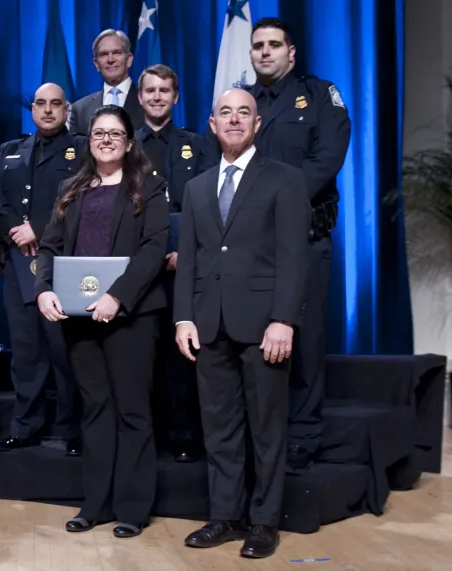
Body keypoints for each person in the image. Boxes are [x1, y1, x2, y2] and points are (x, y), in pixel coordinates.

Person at [205, 18, 352, 471]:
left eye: (273, 45)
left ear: (292, 52)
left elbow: (326, 160)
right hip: (247, 249)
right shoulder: (243, 103)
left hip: (303, 241)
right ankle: (255, 438)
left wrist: (275, 206)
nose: (264, 52)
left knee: (302, 342)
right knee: (250, 343)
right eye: (257, 46)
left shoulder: (320, 97)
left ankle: (303, 437)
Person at [175, 88, 311, 558]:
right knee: (219, 429)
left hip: (263, 326)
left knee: (267, 429)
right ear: (212, 125)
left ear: (258, 124)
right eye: (224, 113)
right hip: (209, 325)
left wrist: (283, 320)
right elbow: (189, 260)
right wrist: (183, 318)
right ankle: (226, 517)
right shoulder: (196, 187)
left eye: (244, 113)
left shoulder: (286, 180)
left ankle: (263, 522)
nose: (234, 120)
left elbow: (295, 257)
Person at [36, 105, 168, 538]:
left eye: (115, 133)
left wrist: (117, 297)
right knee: (94, 411)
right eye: (98, 133)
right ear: (88, 140)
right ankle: (95, 504)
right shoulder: (71, 187)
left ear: (130, 142)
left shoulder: (148, 185)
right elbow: (49, 246)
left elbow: (153, 249)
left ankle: (131, 508)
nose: (106, 140)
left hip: (131, 316)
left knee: (132, 412)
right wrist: (45, 288)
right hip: (79, 318)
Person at [0, 83, 84, 454]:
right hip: (19, 263)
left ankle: (74, 429)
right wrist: (16, 229)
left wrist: (38, 230)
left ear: (66, 109)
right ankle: (26, 425)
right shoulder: (12, 150)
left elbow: (83, 199)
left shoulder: (82, 151)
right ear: (32, 109)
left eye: (55, 104)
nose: (47, 110)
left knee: (65, 351)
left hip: (63, 263)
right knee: (26, 351)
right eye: (40, 104)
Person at [134, 64, 209, 463]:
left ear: (176, 97)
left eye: (165, 90)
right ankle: (151, 436)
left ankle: (185, 434)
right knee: (145, 356)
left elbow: (210, 209)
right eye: (150, 91)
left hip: (186, 269)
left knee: (184, 356)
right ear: (140, 97)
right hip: (139, 273)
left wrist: (189, 254)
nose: (158, 96)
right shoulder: (127, 147)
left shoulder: (198, 145)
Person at [68, 29, 145, 136]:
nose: (110, 59)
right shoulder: (80, 109)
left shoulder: (149, 103)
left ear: (129, 59)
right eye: (103, 54)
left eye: (117, 52)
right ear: (96, 64)